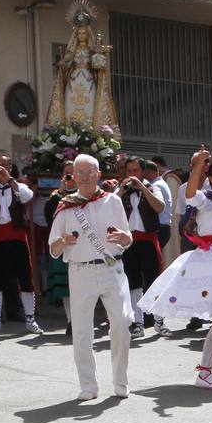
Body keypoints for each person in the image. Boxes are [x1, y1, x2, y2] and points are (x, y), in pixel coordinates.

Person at [140, 147, 212, 389]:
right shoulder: (205, 197)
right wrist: (198, 167)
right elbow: (190, 194)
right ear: (210, 177)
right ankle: (209, 368)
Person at [48, 153, 134, 400]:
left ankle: (120, 381)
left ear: (98, 174)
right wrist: (63, 242)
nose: (85, 177)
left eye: (90, 172)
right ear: (73, 176)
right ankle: (88, 385)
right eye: (80, 172)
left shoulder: (113, 202)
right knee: (82, 330)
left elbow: (128, 238)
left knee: (121, 323)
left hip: (111, 268)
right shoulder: (65, 205)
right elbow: (53, 250)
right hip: (80, 271)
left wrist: (123, 238)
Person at [0, 153, 40, 333]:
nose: (2, 168)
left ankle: (30, 319)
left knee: (25, 278)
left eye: (5, 165)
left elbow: (27, 197)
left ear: (10, 167)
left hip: (17, 236)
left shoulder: (18, 185)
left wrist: (10, 180)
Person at [118, 156, 167, 338]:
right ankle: (137, 323)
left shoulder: (153, 187)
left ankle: (159, 321)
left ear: (143, 172)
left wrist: (143, 188)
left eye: (135, 171)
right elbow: (109, 207)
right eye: (129, 171)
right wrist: (121, 191)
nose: (132, 175)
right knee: (133, 283)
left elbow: (160, 207)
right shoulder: (121, 189)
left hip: (148, 239)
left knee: (154, 281)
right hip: (129, 241)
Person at [44, 162, 77, 335]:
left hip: (82, 244)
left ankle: (82, 319)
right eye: (67, 174)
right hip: (63, 244)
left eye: (73, 173)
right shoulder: (56, 197)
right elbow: (49, 217)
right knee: (66, 286)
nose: (70, 177)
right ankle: (71, 319)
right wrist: (62, 191)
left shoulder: (86, 194)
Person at [146, 157, 173, 249]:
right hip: (163, 227)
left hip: (160, 228)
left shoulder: (156, 186)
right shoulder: (160, 183)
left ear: (149, 172)